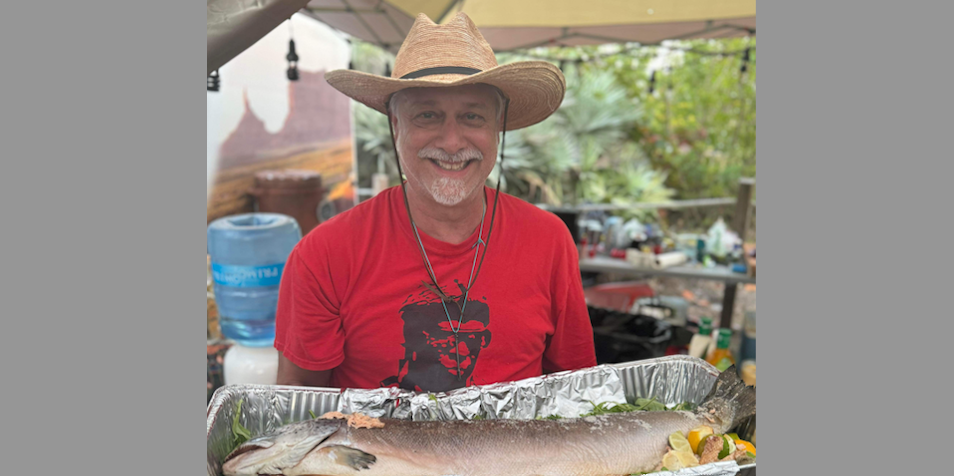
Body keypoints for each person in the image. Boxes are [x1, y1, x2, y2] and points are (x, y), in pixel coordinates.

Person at [274, 12, 596, 392]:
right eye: (427, 115)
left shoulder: (548, 241)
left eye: (472, 116)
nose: (452, 142)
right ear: (396, 126)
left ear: (497, 128)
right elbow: (299, 400)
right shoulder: (324, 255)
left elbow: (578, 389)